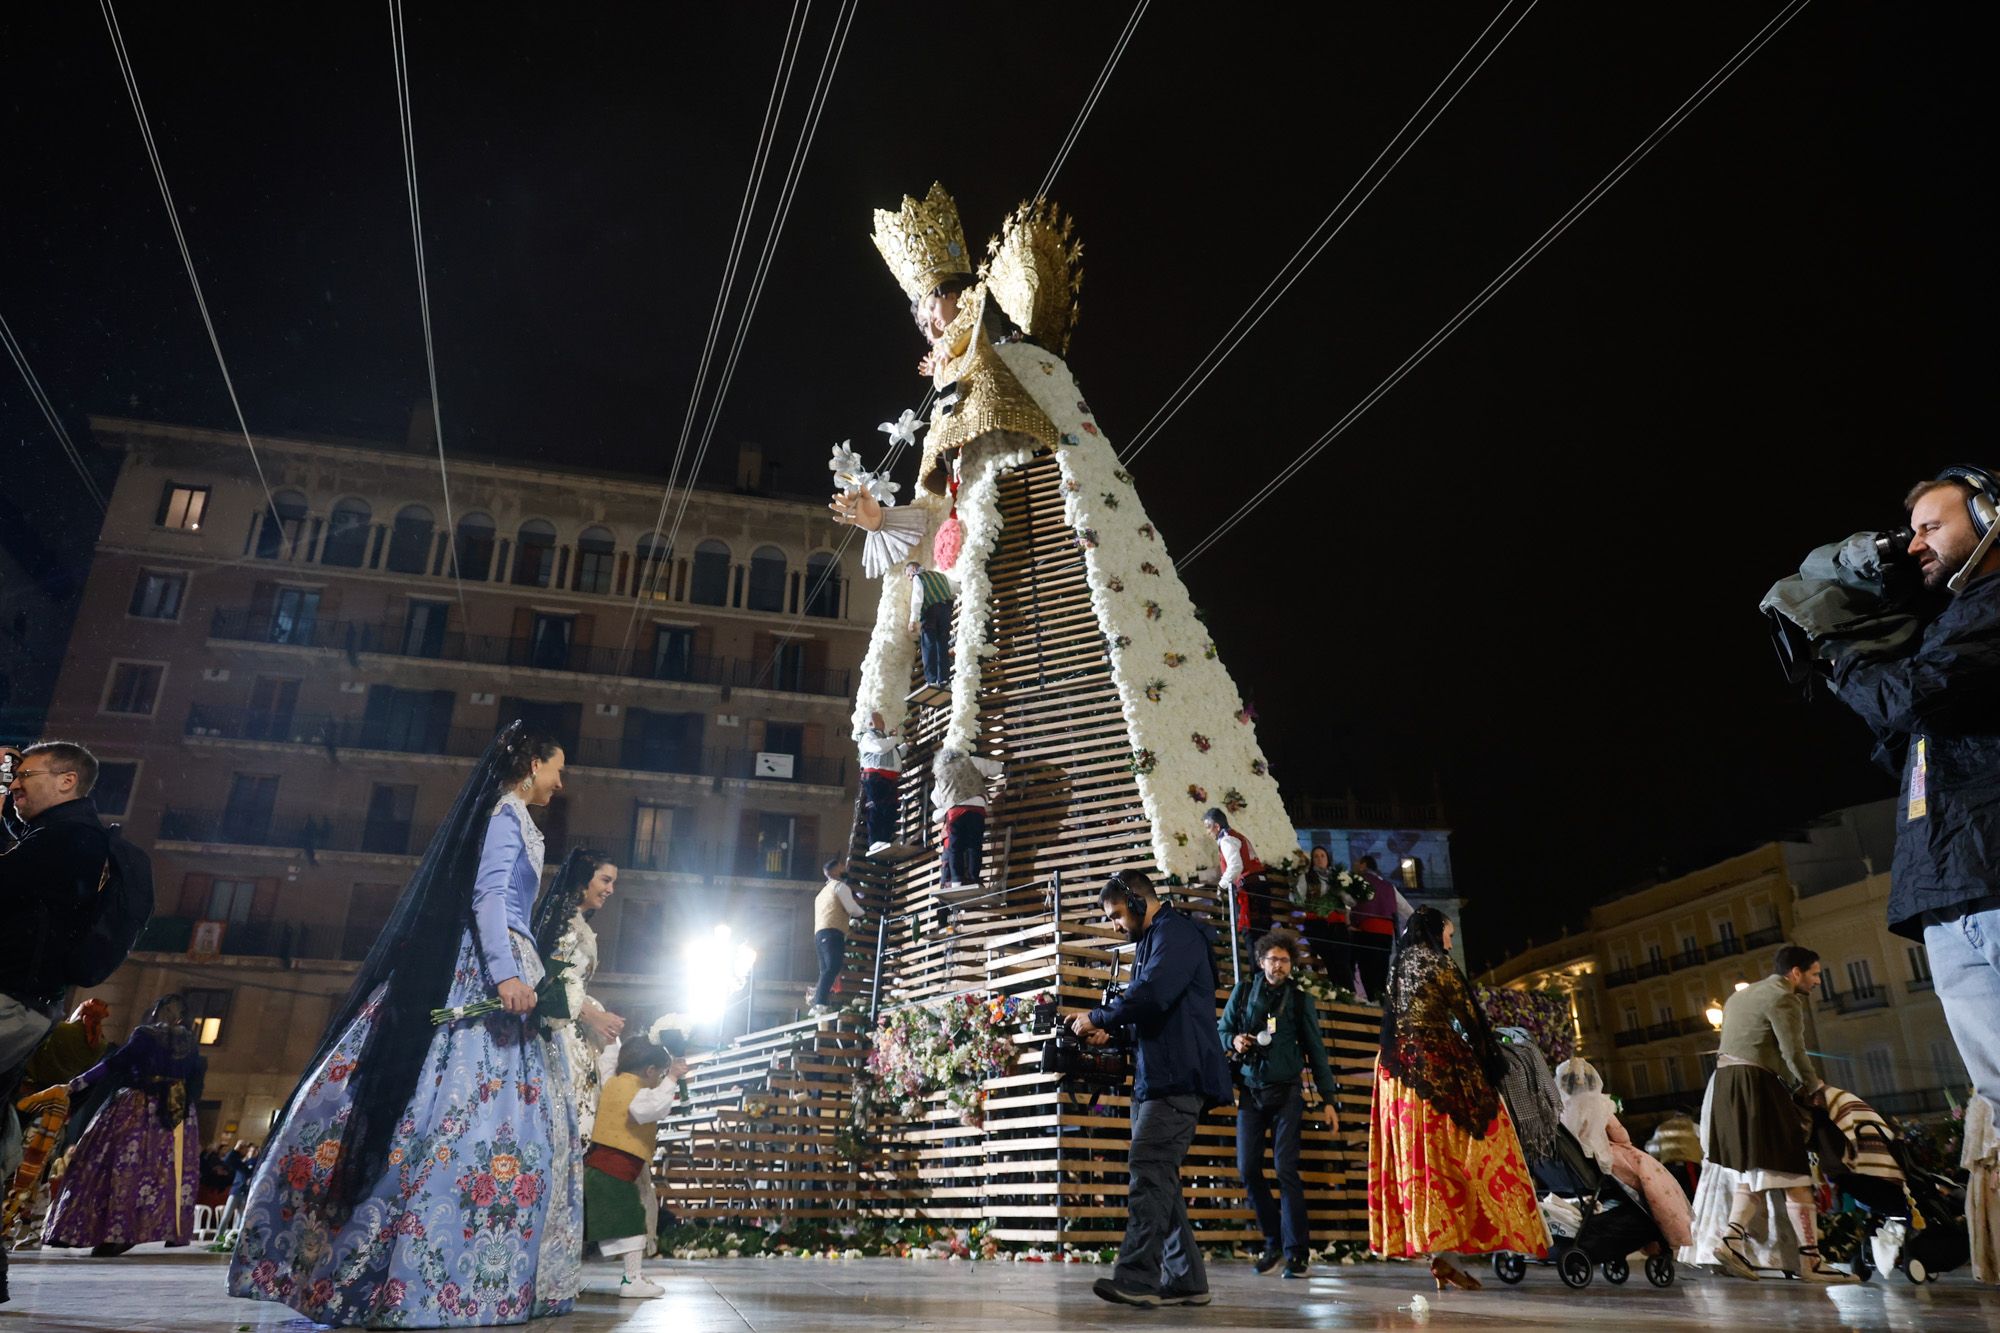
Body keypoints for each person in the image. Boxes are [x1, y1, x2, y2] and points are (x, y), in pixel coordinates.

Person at [228, 724, 584, 1326]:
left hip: (508, 966)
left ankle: (466, 1273)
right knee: (462, 1114)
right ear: (532, 766)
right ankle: (423, 1275)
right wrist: (505, 974)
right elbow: (489, 897)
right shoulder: (506, 815)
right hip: (489, 973)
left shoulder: (516, 817)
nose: (560, 781)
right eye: (557, 768)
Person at [1824, 470, 2000, 1130]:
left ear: (1989, 518)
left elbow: (1917, 696)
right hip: (1949, 886)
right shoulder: (1950, 623)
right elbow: (1904, 742)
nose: (1915, 545)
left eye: (1930, 527)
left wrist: (1842, 658)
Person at [1069, 870, 1232, 1308]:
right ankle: (1187, 1280)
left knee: (1149, 1171)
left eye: (1117, 915)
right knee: (1161, 1180)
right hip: (1155, 1079)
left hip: (1175, 1080)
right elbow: (1152, 1014)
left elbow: (1154, 993)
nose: (1115, 925)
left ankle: (1138, 1278)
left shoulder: (1176, 934)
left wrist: (1099, 1018)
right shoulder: (1151, 940)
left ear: (1140, 902)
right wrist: (1113, 1033)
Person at [1369, 906, 1548, 1290]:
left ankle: (1441, 1255)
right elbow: (1469, 1016)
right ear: (1435, 934)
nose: (1449, 943)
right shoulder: (1439, 963)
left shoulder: (1398, 967)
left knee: (1422, 1163)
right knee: (1477, 1150)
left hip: (1396, 1077)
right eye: (1448, 936)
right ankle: (1457, 1247)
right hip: (1437, 1068)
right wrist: (1491, 1061)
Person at [1698, 944, 1853, 1283]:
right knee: (1793, 1170)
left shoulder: (1738, 997)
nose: (1818, 981)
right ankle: (1811, 1263)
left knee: (1757, 1170)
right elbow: (1793, 1052)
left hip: (1725, 1086)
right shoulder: (1784, 998)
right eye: (1814, 974)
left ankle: (1731, 1241)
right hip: (1756, 1086)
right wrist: (1813, 1087)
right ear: (1795, 972)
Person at [42, 994, 206, 1255]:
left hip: (138, 1105)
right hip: (176, 1112)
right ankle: (131, 1231)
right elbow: (196, 1082)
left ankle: (83, 1229)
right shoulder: (190, 1044)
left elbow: (114, 1063)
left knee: (107, 1163)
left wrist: (76, 1084)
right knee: (160, 1173)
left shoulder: (145, 1035)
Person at [1218, 927, 1340, 1278]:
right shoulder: (1243, 992)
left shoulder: (1300, 1001)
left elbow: (1316, 1051)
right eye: (1273, 959)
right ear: (1261, 961)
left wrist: (1328, 1099)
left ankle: (1296, 1252)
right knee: (1247, 1168)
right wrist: (1234, 1040)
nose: (1279, 966)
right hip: (1251, 1091)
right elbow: (1222, 1030)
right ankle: (1273, 1242)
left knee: (1286, 1169)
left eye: (1285, 960)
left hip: (1287, 1092)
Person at [0, 742, 112, 1081]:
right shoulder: (69, 833)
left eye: (25, 776)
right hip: (24, 1002)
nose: (15, 785)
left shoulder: (68, 837)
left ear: (66, 781)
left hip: (12, 1001)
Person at [582, 1036, 687, 1298]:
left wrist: (611, 1041)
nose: (658, 1080)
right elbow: (652, 1108)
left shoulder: (612, 1082)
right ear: (649, 1070)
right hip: (614, 1173)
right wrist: (672, 1078)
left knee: (605, 1224)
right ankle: (631, 1280)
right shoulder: (638, 1093)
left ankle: (632, 1276)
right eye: (658, 1074)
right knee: (632, 1223)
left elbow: (607, 1062)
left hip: (600, 1171)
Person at [534, 848, 626, 1143]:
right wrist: (594, 1016)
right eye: (605, 880)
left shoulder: (579, 924)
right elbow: (551, 982)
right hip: (559, 1033)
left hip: (575, 1031)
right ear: (583, 879)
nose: (610, 890)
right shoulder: (566, 926)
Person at [1555, 1056, 1693, 1248]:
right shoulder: (1599, 1104)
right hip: (1608, 1160)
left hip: (1578, 1166)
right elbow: (1620, 1136)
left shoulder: (1559, 1109)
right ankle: (1669, 1232)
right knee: (1651, 1177)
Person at [933, 749, 1003, 892]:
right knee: (974, 845)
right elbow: (995, 768)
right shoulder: (971, 760)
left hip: (954, 810)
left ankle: (956, 881)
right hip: (976, 807)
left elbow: (937, 799)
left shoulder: (940, 771)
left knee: (955, 847)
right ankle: (973, 878)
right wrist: (1002, 766)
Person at [1348, 855, 1412, 1000]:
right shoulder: (1388, 886)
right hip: (1386, 933)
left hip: (1366, 930)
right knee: (1382, 968)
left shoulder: (1359, 882)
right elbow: (1405, 908)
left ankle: (1372, 998)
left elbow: (1350, 902)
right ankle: (1382, 999)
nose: (1354, 866)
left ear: (1363, 865)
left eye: (1357, 863)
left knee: (1366, 968)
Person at [1290, 846, 1354, 990]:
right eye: (1316, 856)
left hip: (1338, 924)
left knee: (1343, 960)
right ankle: (1339, 991)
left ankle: (1349, 992)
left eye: (1322, 856)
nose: (1319, 859)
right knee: (1330, 958)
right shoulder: (1306, 877)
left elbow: (1351, 902)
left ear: (1328, 859)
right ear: (1312, 860)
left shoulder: (1339, 877)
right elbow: (1298, 899)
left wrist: (1341, 892)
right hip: (1316, 923)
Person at [1202, 808, 1265, 954]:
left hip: (1249, 889)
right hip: (1258, 884)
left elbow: (1236, 866)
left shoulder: (1226, 839)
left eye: (1208, 827)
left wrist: (1222, 885)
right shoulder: (1236, 836)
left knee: (1251, 934)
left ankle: (1258, 968)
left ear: (1217, 826)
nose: (1207, 832)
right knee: (1261, 933)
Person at [810, 857, 864, 1014]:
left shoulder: (821, 894)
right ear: (835, 870)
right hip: (833, 933)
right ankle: (819, 1002)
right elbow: (852, 908)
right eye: (842, 866)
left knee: (825, 969)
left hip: (819, 934)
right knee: (833, 966)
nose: (844, 869)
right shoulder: (840, 887)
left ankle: (819, 1003)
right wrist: (863, 914)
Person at [857, 712, 907, 855]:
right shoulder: (868, 737)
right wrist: (893, 738)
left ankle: (884, 839)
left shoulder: (885, 739)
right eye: (880, 720)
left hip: (889, 779)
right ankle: (874, 841)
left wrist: (905, 747)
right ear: (870, 724)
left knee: (889, 809)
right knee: (877, 808)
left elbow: (893, 755)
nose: (883, 723)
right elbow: (879, 748)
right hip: (876, 778)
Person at [907, 562, 955, 689]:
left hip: (931, 612)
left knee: (928, 645)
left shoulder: (918, 577)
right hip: (945, 611)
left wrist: (913, 620)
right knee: (942, 645)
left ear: (913, 569)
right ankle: (944, 680)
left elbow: (917, 598)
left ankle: (932, 680)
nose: (910, 579)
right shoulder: (940, 576)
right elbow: (956, 587)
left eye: (909, 575)